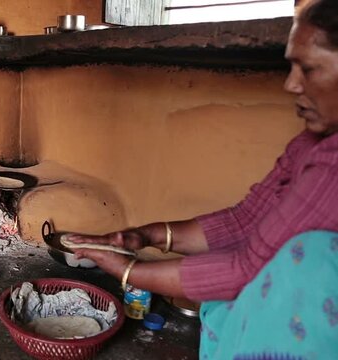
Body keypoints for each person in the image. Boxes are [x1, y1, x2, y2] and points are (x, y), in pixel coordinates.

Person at [66, 0, 338, 357]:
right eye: (291, 67)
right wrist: (145, 235)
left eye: (309, 69)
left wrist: (128, 271)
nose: (291, 85)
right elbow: (244, 220)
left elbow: (242, 269)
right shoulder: (309, 144)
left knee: (309, 256)